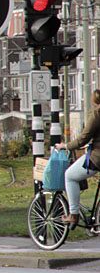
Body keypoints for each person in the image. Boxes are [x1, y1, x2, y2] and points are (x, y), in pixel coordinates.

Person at [54, 89, 100, 225]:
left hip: (97, 158)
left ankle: (73, 215)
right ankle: (91, 224)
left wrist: (66, 146)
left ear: (94, 101)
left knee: (70, 175)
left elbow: (82, 139)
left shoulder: (96, 115)